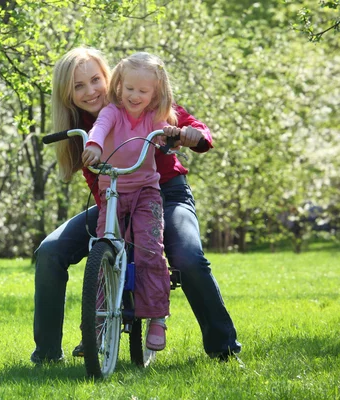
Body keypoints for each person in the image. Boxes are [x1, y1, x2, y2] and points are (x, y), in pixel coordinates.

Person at [31, 47, 241, 364]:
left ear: (109, 78)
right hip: (115, 200)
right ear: (67, 94)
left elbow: (196, 128)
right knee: (49, 251)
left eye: (95, 80)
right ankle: (47, 354)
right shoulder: (79, 128)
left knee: (187, 255)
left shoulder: (141, 101)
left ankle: (223, 348)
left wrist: (187, 135)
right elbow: (99, 188)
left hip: (167, 194)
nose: (90, 91)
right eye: (78, 86)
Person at [81, 51, 178, 351]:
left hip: (145, 192)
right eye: (129, 88)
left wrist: (169, 138)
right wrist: (94, 146)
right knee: (102, 251)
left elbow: (165, 136)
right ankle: (95, 324)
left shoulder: (154, 117)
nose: (135, 96)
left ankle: (157, 317)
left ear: (156, 93)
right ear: (119, 85)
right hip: (112, 191)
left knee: (150, 250)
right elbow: (98, 128)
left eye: (143, 91)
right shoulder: (111, 111)